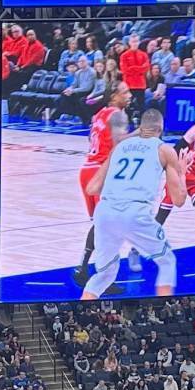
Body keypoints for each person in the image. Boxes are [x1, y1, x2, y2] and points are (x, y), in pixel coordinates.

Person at [80, 106, 182, 301]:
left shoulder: (119, 148)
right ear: (160, 129)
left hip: (106, 211)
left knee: (104, 275)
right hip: (134, 211)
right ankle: (166, 306)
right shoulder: (165, 150)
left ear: (141, 127)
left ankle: (80, 310)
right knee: (167, 261)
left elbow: (92, 188)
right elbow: (178, 199)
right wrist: (182, 172)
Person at [70, 85, 134, 286]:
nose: (130, 96)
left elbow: (93, 140)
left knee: (100, 224)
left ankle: (82, 267)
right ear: (114, 96)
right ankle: (104, 277)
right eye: (125, 93)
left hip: (87, 170)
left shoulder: (99, 115)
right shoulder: (118, 115)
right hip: (102, 172)